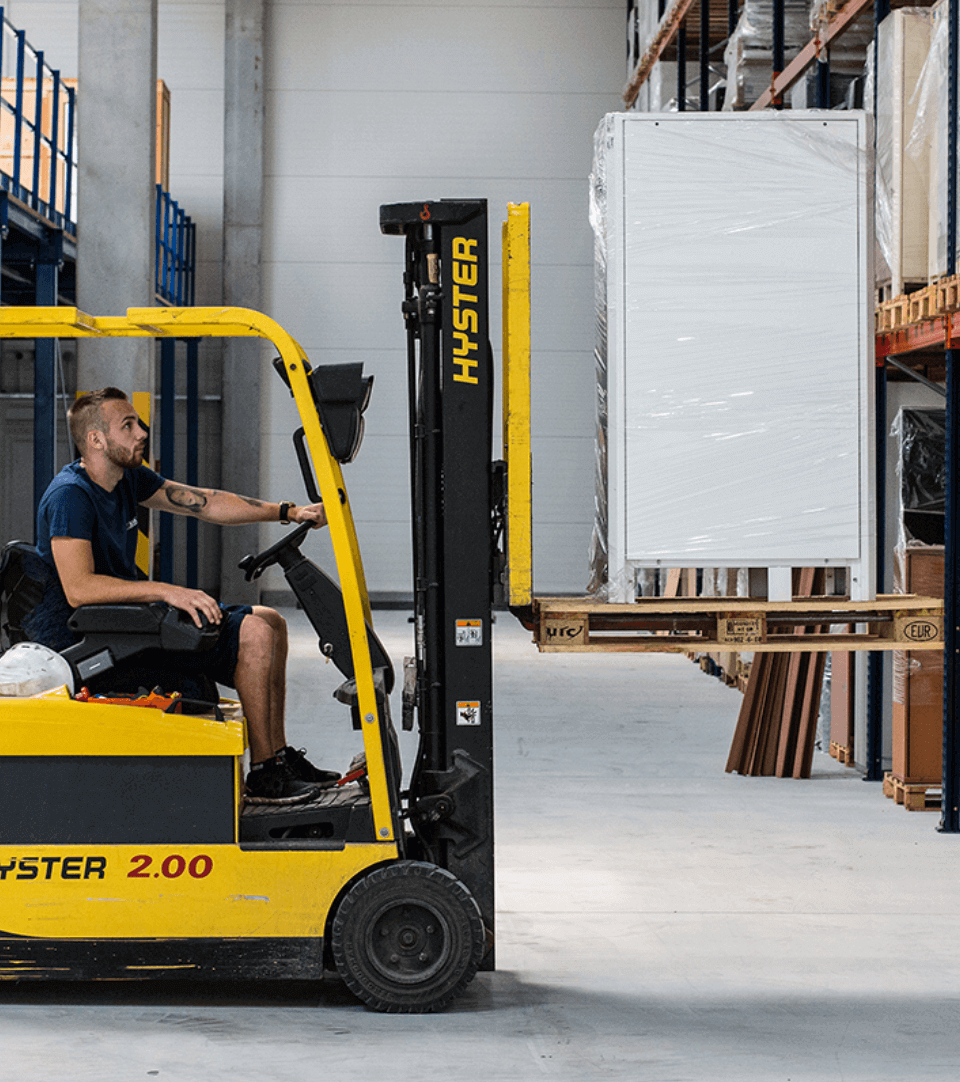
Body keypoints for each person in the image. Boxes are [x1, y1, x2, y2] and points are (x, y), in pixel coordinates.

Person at [32, 386, 338, 805]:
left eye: (138, 422)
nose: (142, 432)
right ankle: (265, 776)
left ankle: (277, 758)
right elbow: (79, 588)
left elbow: (206, 503)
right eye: (128, 425)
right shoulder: (71, 496)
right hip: (97, 638)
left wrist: (288, 512)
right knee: (253, 634)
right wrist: (170, 591)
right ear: (96, 440)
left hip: (127, 621)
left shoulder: (127, 479)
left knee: (271, 621)